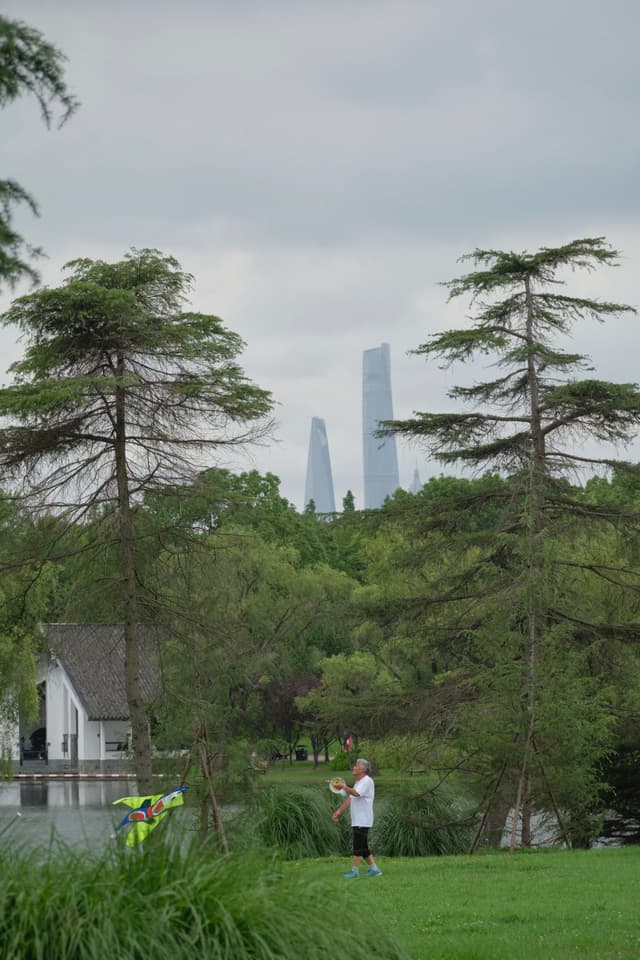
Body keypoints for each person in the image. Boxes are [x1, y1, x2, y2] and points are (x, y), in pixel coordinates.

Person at [331, 757, 382, 878]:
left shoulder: (367, 781)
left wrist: (343, 787)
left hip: (363, 819)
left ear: (363, 769)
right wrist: (339, 811)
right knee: (363, 847)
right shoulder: (359, 782)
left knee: (358, 846)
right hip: (358, 819)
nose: (353, 768)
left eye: (356, 766)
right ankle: (375, 870)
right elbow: (351, 798)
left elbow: (356, 793)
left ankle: (355, 871)